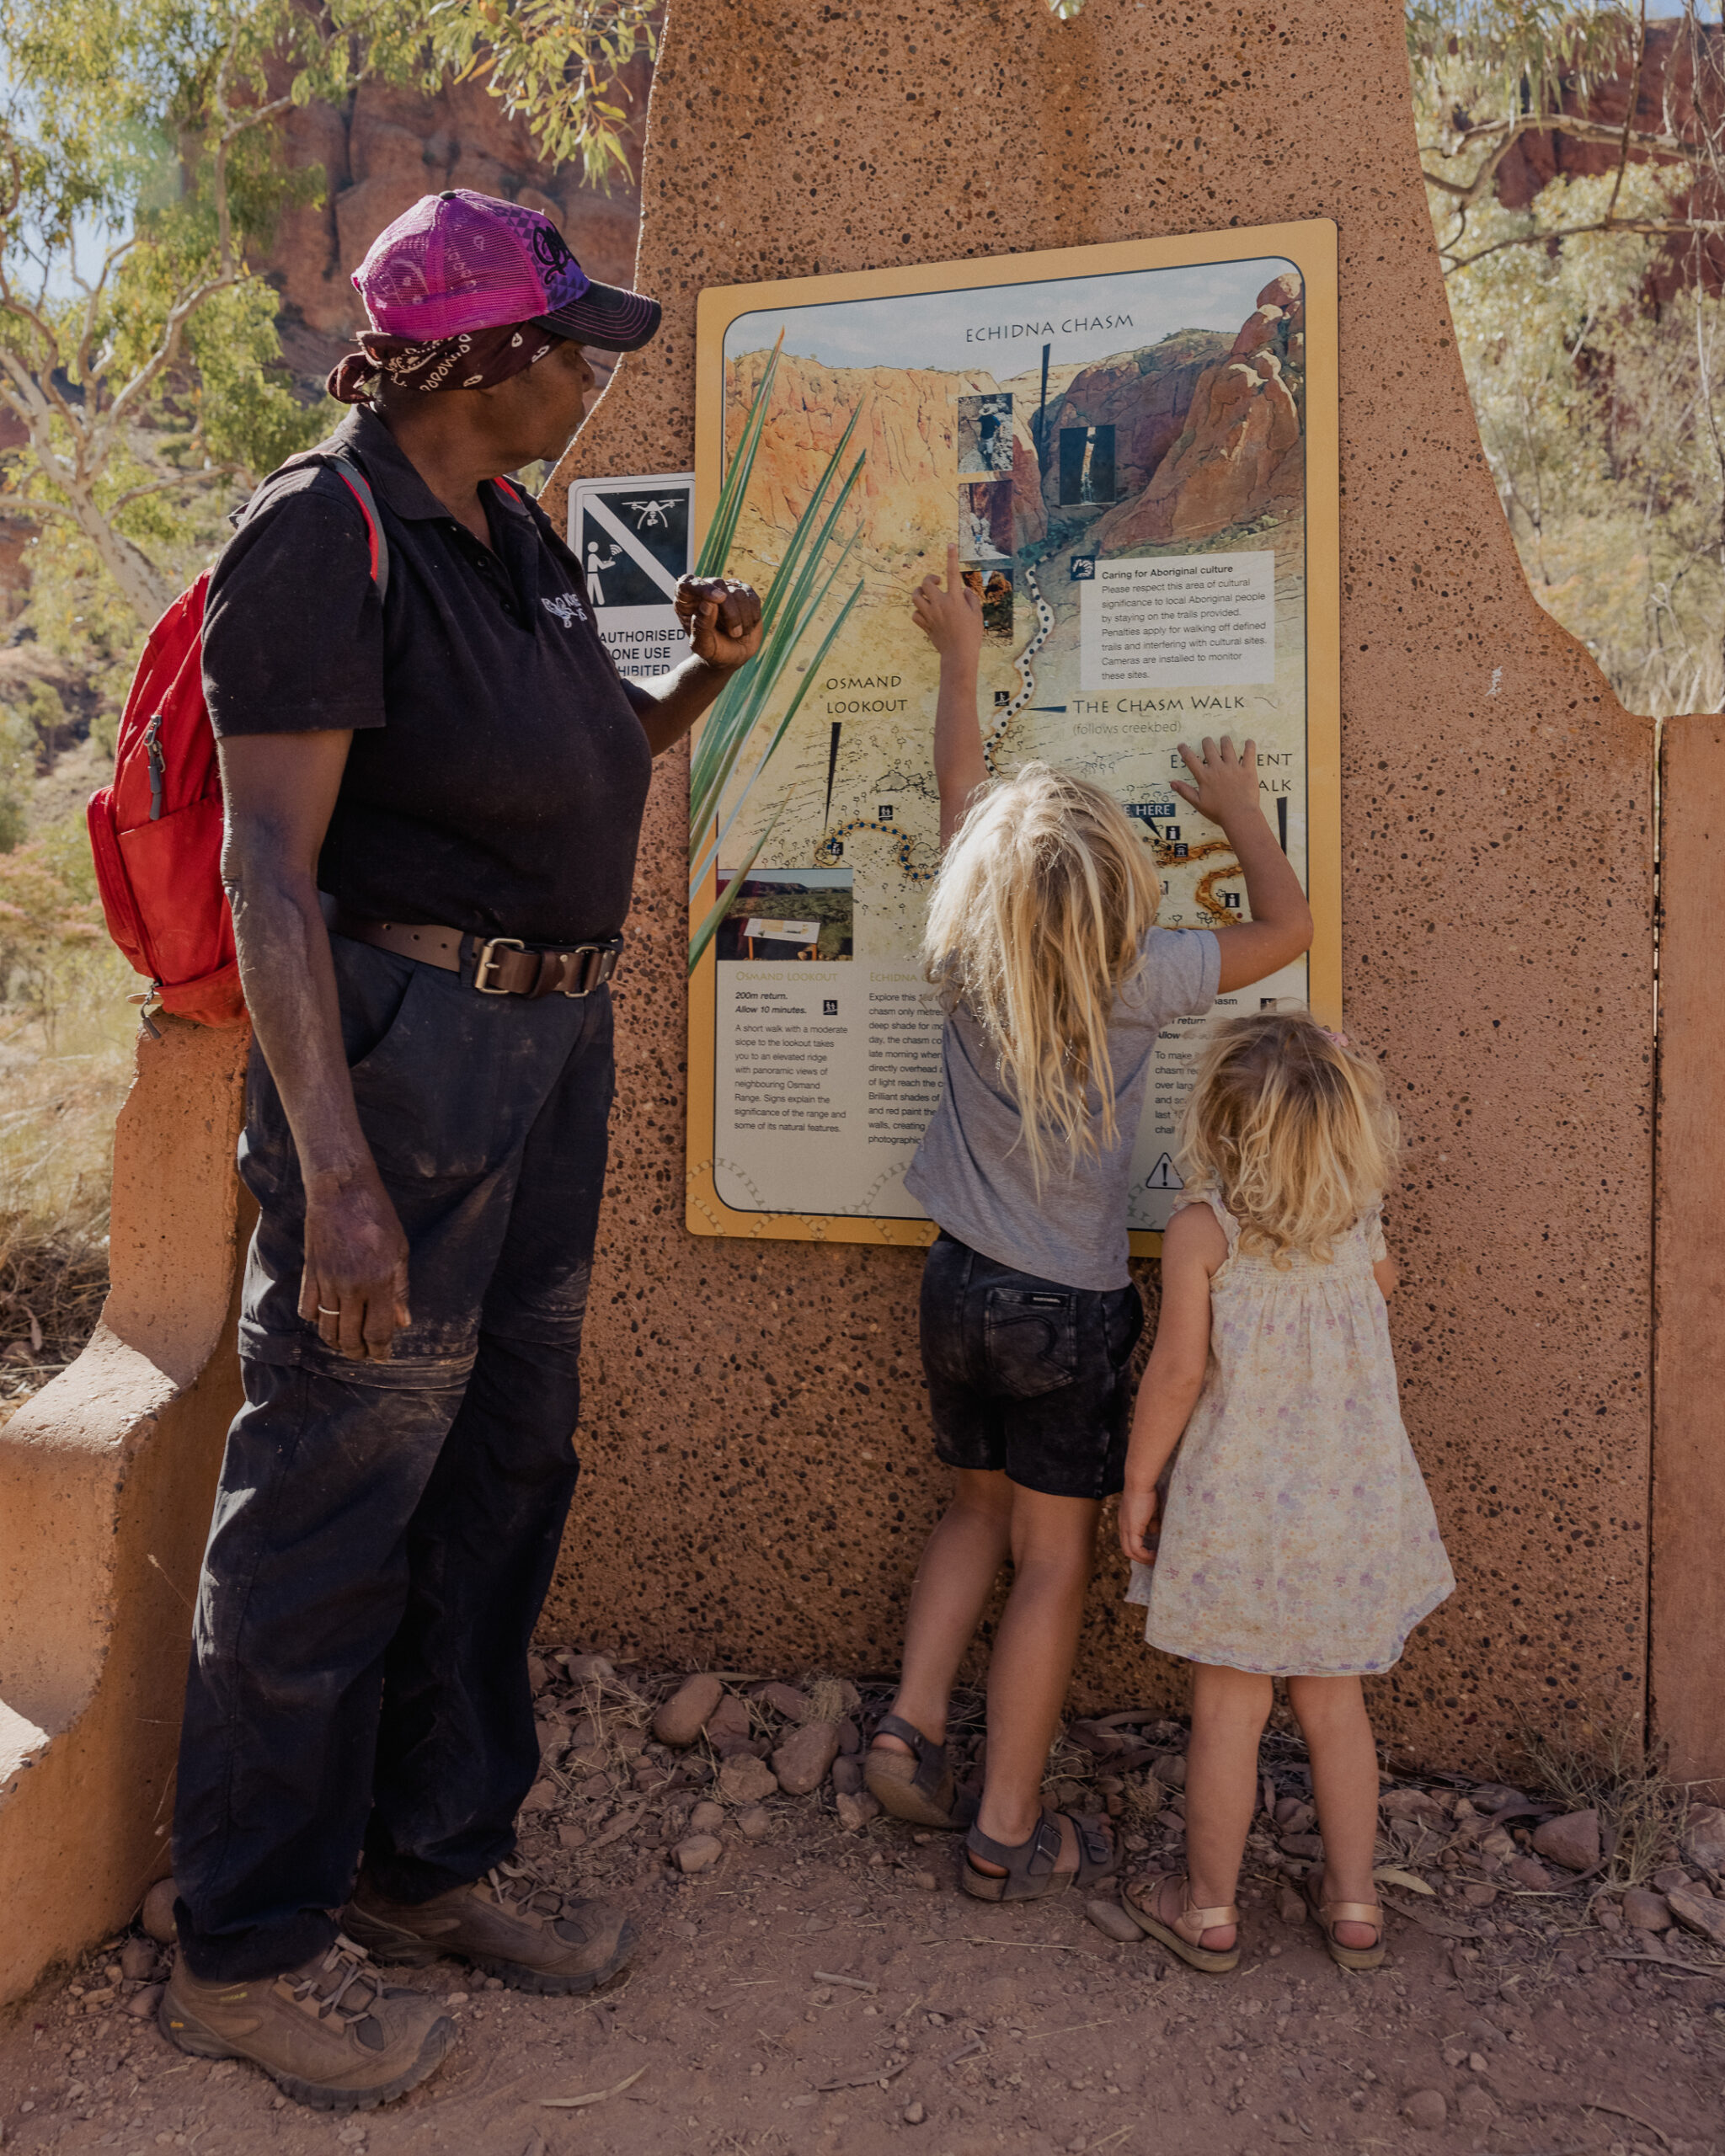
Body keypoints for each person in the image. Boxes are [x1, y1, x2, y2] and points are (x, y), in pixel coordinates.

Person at [158, 189, 763, 2111]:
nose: (595, 373)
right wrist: (331, 1167)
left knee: (503, 1460)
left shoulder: (508, 537)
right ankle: (243, 1946)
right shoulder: (317, 534)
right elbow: (269, 866)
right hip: (399, 1071)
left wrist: (693, 685)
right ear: (483, 356)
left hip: (547, 1046)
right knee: (330, 1488)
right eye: (573, 341)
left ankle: (430, 1857)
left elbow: (569, 770)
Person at [862, 550, 1314, 1903]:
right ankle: (1005, 1823)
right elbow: (1288, 929)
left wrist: (959, 652)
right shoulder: (1144, 976)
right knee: (1050, 1560)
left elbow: (959, 791)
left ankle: (909, 1724)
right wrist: (1236, 809)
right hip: (1067, 1306)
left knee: (968, 1514)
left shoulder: (961, 953)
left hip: (955, 1287)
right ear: (1117, 888)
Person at [1113, 1012, 1455, 1973]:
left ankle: (1208, 1908)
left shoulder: (1202, 1232)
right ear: (1347, 1128)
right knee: (1333, 1710)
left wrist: (1139, 1480)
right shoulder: (1358, 1224)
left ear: (1218, 1128)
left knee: (1226, 1713)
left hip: (1236, 1514)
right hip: (1346, 1513)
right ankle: (1353, 1904)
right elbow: (1379, 1287)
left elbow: (1177, 1372)